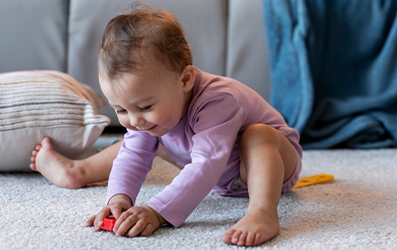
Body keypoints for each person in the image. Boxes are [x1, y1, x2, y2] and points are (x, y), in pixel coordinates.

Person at [30, 2, 302, 247]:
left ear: (185, 80)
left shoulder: (218, 100)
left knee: (258, 134)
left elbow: (207, 164)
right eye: (121, 109)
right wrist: (119, 199)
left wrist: (157, 211)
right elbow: (133, 156)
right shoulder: (150, 115)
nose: (133, 119)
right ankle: (81, 170)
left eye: (145, 106)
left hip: (271, 162)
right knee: (142, 138)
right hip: (219, 171)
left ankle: (262, 212)